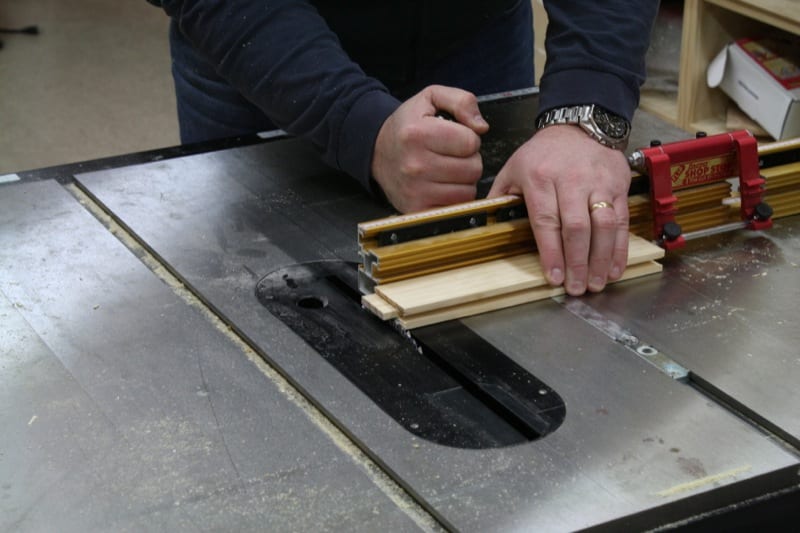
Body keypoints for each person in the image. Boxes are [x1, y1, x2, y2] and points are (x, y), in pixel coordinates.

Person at [150, 0, 659, 296]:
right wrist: (354, 121)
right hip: (264, 52)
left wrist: (584, 109)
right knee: (257, 319)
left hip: (475, 39)